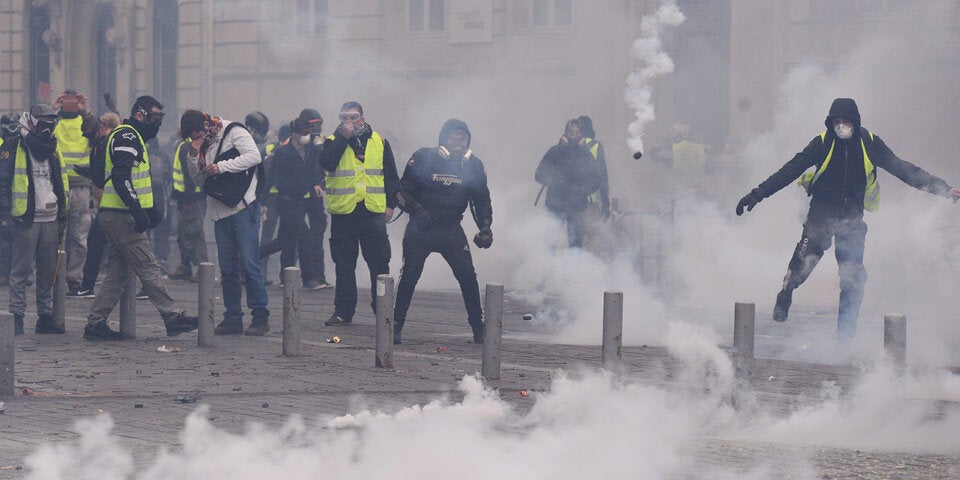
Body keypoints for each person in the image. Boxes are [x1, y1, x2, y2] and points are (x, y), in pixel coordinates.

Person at [736, 98, 960, 340]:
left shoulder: (870, 143)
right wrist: (757, 194)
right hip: (821, 214)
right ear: (830, 123)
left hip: (852, 219)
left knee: (853, 277)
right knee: (803, 263)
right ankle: (787, 291)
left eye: (846, 121)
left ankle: (845, 336)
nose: (841, 126)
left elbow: (903, 169)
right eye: (837, 122)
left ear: (855, 122)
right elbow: (790, 170)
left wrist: (942, 189)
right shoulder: (821, 143)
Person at [83, 96, 198, 341]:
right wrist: (137, 210)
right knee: (148, 265)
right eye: (153, 118)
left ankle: (95, 323)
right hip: (122, 216)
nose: (156, 124)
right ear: (140, 115)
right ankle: (171, 316)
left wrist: (149, 209)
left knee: (118, 273)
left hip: (117, 214)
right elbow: (121, 176)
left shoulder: (133, 137)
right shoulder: (128, 136)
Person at [393, 119, 493, 344]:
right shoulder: (422, 158)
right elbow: (400, 192)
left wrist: (485, 227)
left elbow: (481, 200)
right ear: (443, 139)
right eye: (453, 138)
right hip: (421, 227)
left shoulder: (474, 165)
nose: (458, 143)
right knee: (410, 274)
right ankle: (395, 326)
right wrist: (417, 211)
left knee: (468, 276)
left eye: (462, 138)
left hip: (451, 229)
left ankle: (478, 329)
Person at [181, 109, 270, 336]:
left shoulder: (233, 131)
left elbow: (254, 157)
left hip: (243, 206)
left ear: (207, 126)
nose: (198, 138)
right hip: (220, 211)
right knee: (228, 267)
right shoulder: (199, 146)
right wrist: (193, 156)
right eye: (193, 136)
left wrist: (221, 166)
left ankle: (260, 315)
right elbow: (200, 180)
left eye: (199, 134)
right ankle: (233, 317)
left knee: (249, 263)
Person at [318, 101, 401, 326]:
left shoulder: (379, 141)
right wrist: (343, 138)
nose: (349, 122)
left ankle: (382, 308)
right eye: (344, 117)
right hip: (344, 213)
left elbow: (391, 177)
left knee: (380, 263)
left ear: (362, 119)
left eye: (353, 117)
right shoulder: (332, 141)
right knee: (344, 265)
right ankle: (343, 311)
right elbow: (326, 163)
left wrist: (391, 205)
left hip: (373, 212)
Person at [0, 104, 69, 335]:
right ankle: (17, 317)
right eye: (43, 121)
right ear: (30, 121)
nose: (48, 127)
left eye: (51, 122)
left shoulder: (52, 147)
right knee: (20, 271)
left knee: (48, 271)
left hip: (50, 217)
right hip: (25, 219)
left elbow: (60, 180)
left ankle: (45, 316)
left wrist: (63, 212)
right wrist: (4, 217)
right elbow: (3, 183)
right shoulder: (13, 145)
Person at [260, 109, 328, 290]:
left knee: (283, 242)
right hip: (286, 202)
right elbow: (271, 177)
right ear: (295, 134)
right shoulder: (283, 152)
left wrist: (314, 185)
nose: (307, 136)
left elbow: (308, 174)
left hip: (299, 201)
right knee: (305, 237)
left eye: (309, 132)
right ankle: (309, 279)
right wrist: (262, 203)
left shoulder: (309, 150)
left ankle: (249, 258)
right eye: (304, 133)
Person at [51, 90, 97, 296]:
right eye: (66, 102)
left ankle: (73, 278)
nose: (70, 105)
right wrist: (52, 108)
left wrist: (86, 110)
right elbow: (35, 128)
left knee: (79, 236)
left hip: (79, 187)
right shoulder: (54, 122)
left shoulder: (86, 123)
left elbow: (96, 131)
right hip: (58, 186)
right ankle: (56, 274)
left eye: (73, 101)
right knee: (56, 235)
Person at [73, 112, 121, 298]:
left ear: (103, 127)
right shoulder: (113, 143)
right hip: (113, 204)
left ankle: (87, 286)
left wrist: (89, 172)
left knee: (97, 243)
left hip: (111, 205)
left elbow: (103, 174)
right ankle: (88, 286)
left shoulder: (105, 144)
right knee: (124, 249)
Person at [534, 118, 602, 248]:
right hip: (555, 205)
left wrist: (581, 190)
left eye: (577, 132)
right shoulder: (554, 152)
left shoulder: (585, 155)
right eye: (571, 132)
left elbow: (596, 179)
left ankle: (573, 268)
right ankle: (548, 267)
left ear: (582, 135)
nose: (574, 135)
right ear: (565, 134)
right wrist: (556, 183)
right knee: (550, 243)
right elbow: (539, 175)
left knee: (575, 245)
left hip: (576, 207)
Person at [166, 132, 208, 282]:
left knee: (194, 233)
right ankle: (186, 267)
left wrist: (188, 199)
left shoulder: (186, 147)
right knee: (185, 233)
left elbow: (190, 175)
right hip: (189, 197)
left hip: (191, 198)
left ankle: (203, 270)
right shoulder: (188, 146)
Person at [0, 111, 21, 288]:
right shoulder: (5, 146)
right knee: (5, 238)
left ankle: (19, 272)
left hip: (18, 197)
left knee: (20, 237)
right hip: (5, 196)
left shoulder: (21, 143)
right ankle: (5, 273)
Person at [577, 115, 611, 220]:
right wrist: (606, 204)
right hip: (592, 200)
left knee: (574, 233)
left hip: (573, 200)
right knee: (592, 231)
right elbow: (603, 176)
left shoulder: (570, 145)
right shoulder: (596, 146)